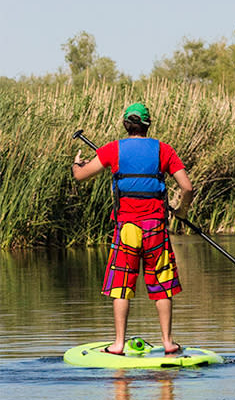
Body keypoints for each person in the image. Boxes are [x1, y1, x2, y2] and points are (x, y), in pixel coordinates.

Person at [72, 103, 194, 355]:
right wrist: (181, 212)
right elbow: (187, 188)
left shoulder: (112, 149)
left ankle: (118, 344)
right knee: (161, 285)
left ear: (126, 125)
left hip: (127, 228)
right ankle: (168, 342)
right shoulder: (164, 150)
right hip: (156, 229)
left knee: (121, 285)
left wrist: (77, 164)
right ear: (148, 125)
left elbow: (81, 176)